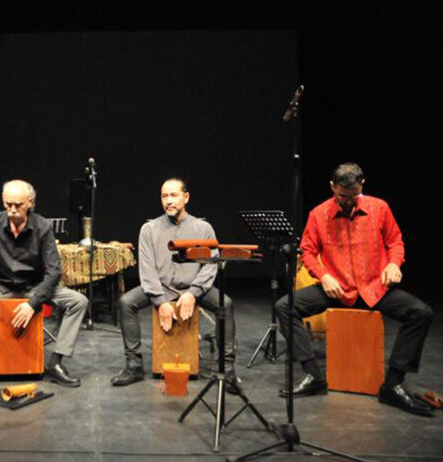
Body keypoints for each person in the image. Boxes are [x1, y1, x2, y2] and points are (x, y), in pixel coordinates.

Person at [276, 163, 434, 416]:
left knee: (421, 312)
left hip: (374, 288)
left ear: (362, 185)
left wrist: (394, 264)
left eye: (353, 196)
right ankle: (313, 376)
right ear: (332, 188)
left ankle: (393, 384)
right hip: (337, 289)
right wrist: (324, 276)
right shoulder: (319, 214)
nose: (348, 202)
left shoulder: (379, 207)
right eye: (342, 197)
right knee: (284, 306)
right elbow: (307, 251)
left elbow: (395, 242)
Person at [0, 179, 87, 391]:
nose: (12, 210)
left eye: (18, 205)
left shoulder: (43, 227)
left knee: (79, 301)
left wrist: (33, 303)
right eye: (8, 204)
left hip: (34, 287)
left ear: (30, 202)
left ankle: (56, 363)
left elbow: (53, 272)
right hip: (1, 286)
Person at [111, 178, 241, 392]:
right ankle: (133, 365)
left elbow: (211, 266)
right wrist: (160, 300)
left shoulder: (203, 227)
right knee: (126, 302)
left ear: (186, 197)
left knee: (225, 304)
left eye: (174, 195)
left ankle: (226, 369)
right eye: (164, 196)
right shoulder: (149, 229)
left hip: (193, 287)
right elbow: (146, 268)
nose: (169, 201)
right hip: (161, 287)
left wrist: (193, 293)